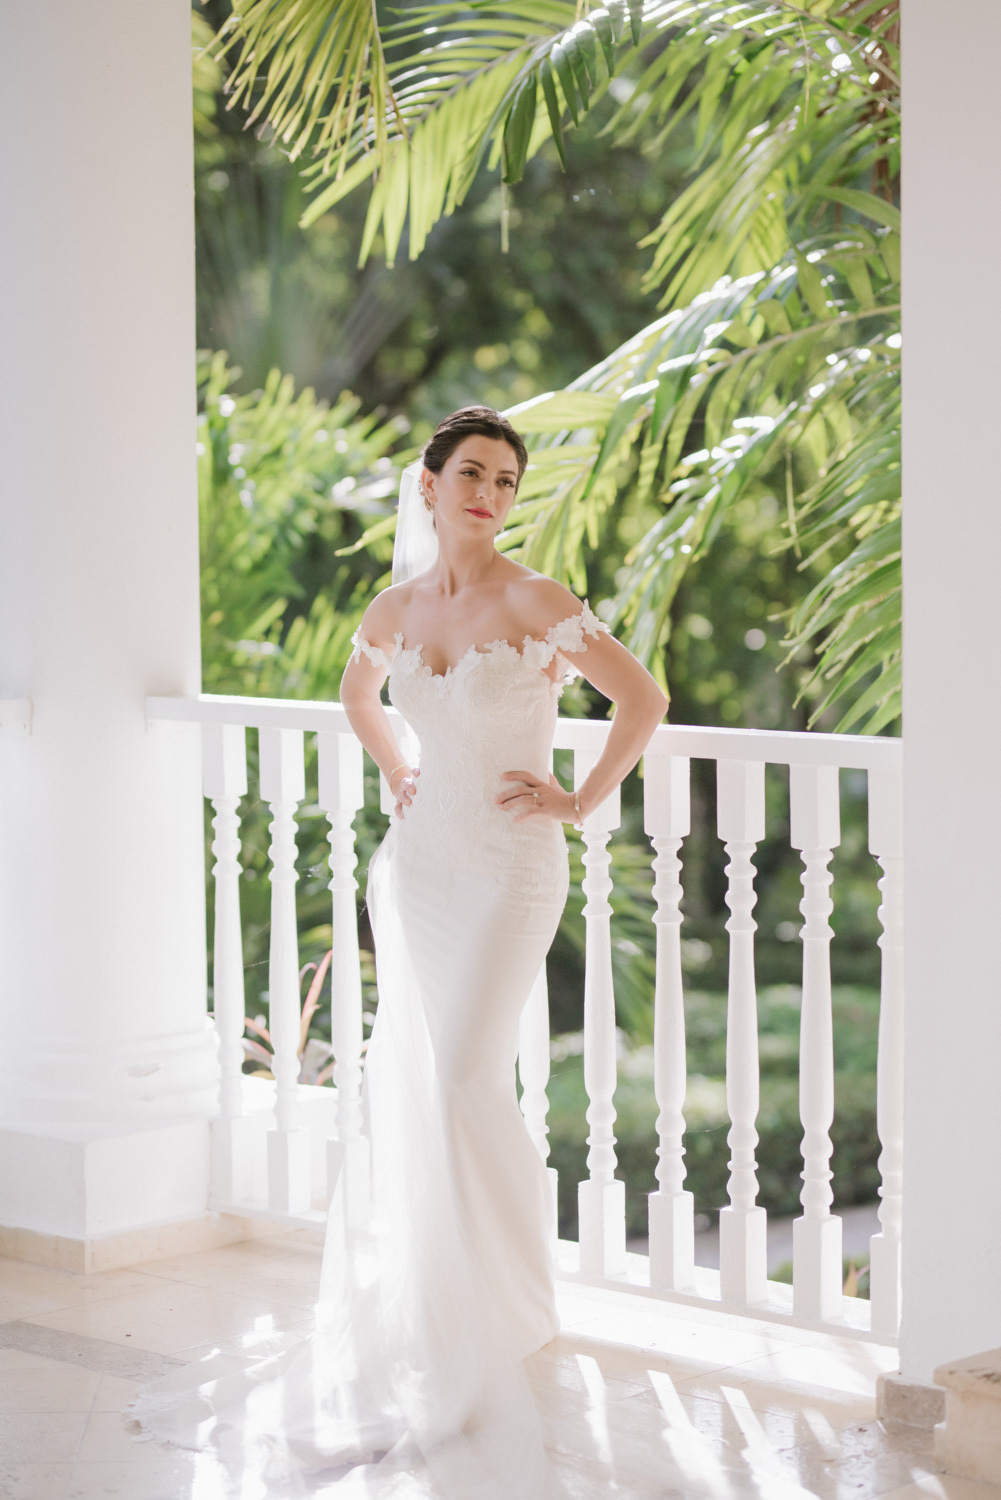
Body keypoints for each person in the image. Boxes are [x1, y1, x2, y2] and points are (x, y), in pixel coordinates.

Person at [126, 406, 668, 1498]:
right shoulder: (396, 604)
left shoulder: (538, 599)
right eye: (470, 472)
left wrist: (578, 799)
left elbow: (643, 698)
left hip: (512, 869)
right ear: (427, 485)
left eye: (507, 479)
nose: (490, 492)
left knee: (469, 1078)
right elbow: (357, 695)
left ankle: (513, 1306)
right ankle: (451, 1300)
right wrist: (394, 770)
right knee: (420, 1081)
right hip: (416, 870)